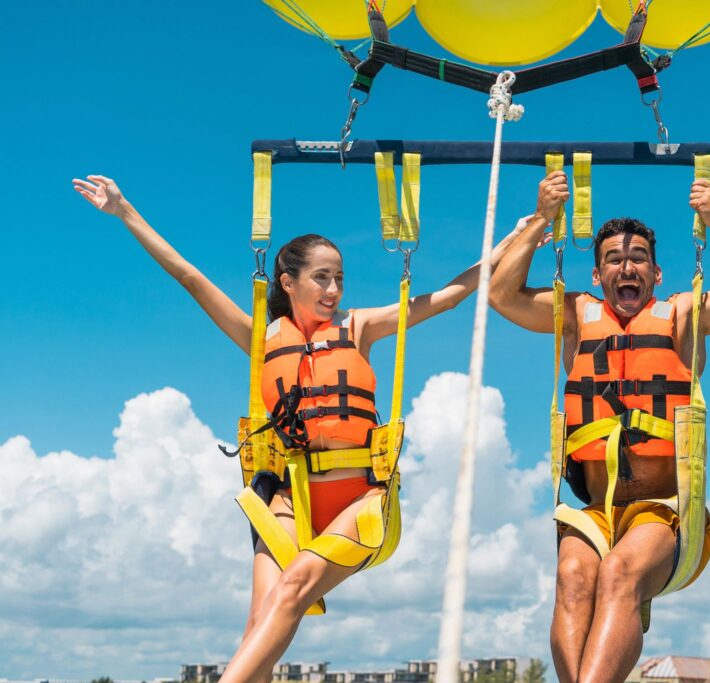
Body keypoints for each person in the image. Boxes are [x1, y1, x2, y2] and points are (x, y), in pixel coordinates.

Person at [73, 174, 526, 683]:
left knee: (292, 590)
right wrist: (125, 210)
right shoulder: (263, 340)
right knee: (257, 627)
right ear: (287, 283)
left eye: (339, 279)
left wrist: (511, 240)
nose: (334, 290)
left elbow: (446, 296)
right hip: (290, 499)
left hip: (360, 500)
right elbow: (189, 276)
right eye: (321, 278)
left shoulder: (359, 328)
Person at [490, 171, 710, 683]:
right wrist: (542, 218)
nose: (626, 266)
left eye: (638, 258)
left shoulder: (682, 315)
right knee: (573, 576)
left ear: (656, 272)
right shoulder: (576, 315)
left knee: (620, 572)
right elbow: (500, 294)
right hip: (596, 511)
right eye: (613, 259)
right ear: (599, 275)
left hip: (667, 512)